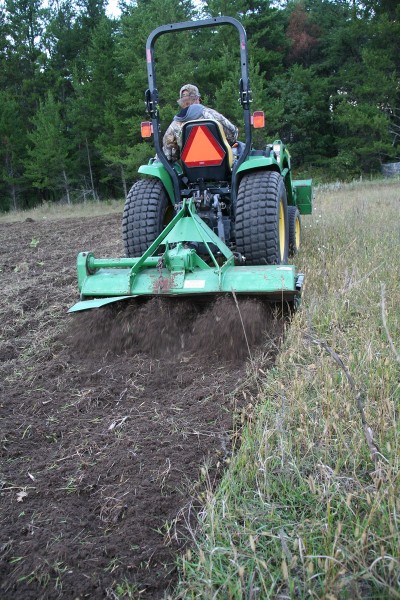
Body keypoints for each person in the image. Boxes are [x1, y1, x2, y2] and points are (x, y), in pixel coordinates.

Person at [162, 84, 238, 162]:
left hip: (191, 171)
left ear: (182, 102)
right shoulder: (211, 115)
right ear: (197, 99)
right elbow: (232, 133)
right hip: (220, 168)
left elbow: (169, 153)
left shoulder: (174, 125)